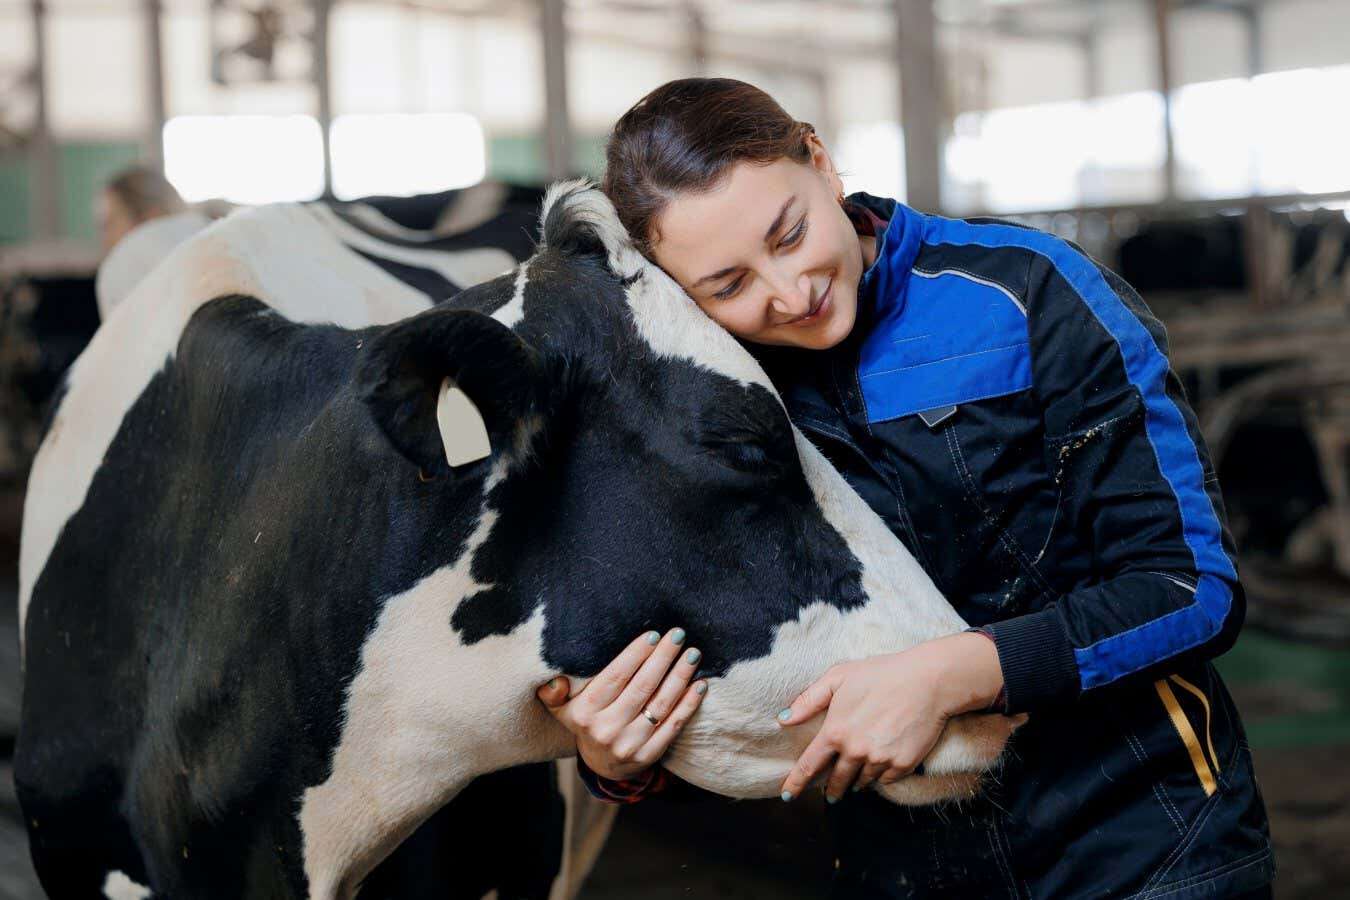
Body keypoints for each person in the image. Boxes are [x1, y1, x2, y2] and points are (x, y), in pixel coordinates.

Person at [534, 78, 1275, 899]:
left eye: (790, 233)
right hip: (896, 867)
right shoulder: (708, 393)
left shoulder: (1025, 293)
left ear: (821, 162)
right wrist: (614, 763)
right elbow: (706, 646)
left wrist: (949, 675)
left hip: (1147, 844)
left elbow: (1191, 589)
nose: (789, 293)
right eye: (727, 286)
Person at [94, 165, 211, 320]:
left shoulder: (127, 261)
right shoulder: (213, 236)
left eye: (110, 223)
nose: (105, 239)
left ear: (152, 217)